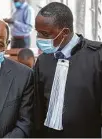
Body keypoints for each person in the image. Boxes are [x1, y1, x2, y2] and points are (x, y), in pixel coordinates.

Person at [34, 2, 102, 138]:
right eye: (37, 33)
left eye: (45, 34)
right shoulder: (43, 60)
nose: (39, 39)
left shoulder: (97, 57)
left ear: (64, 32)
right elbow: (37, 107)